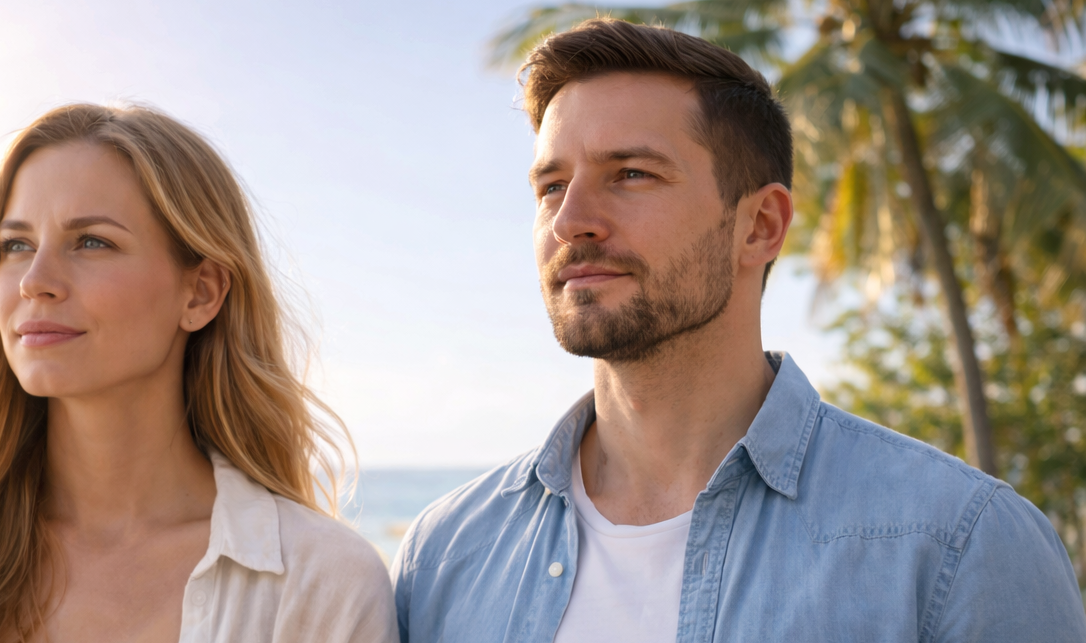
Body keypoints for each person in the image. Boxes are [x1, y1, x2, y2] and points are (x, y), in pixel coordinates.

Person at [391, 18, 1086, 643]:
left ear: (759, 225)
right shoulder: (445, 555)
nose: (571, 220)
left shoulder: (959, 545)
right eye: (550, 186)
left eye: (630, 173)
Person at [0, 104, 397, 643]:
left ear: (201, 293)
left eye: (91, 242)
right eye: (15, 245)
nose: (34, 280)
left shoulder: (322, 585)